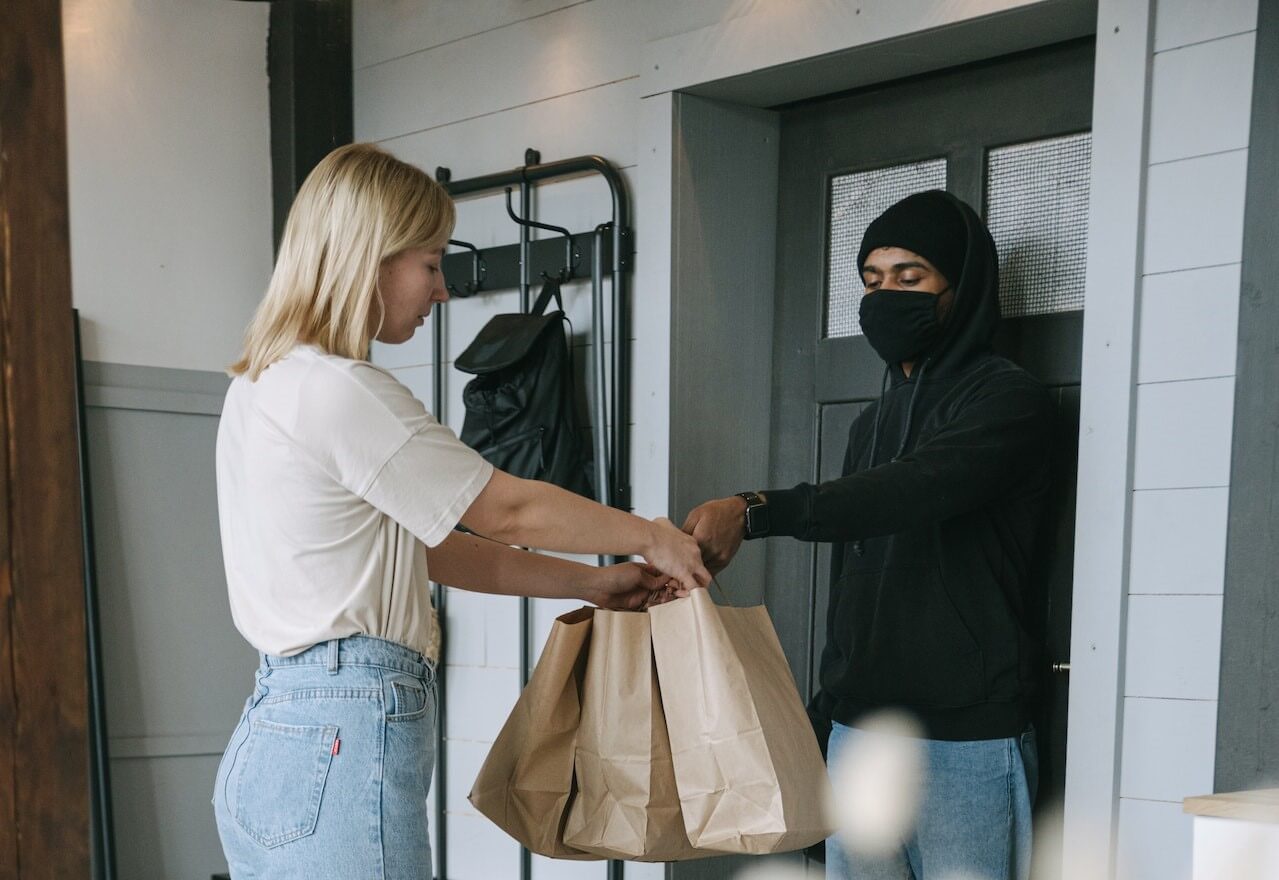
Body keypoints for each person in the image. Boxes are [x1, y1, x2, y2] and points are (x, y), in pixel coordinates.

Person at [211, 142, 707, 879]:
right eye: (431, 262)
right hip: (341, 730)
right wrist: (652, 536)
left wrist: (589, 583)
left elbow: (428, 549)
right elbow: (504, 509)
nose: (442, 290)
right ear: (367, 256)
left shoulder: (265, 383)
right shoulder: (337, 388)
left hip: (280, 734)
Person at [683, 190, 1052, 880]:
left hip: (965, 742)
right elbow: (856, 574)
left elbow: (917, 488)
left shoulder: (1007, 400)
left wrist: (757, 510)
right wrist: (827, 716)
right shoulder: (867, 425)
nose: (885, 298)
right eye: (872, 281)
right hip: (859, 736)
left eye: (910, 279)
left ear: (960, 287)